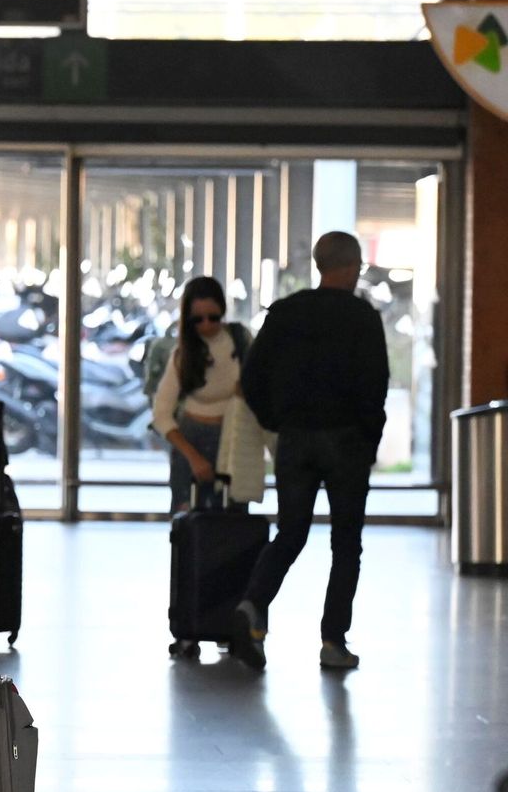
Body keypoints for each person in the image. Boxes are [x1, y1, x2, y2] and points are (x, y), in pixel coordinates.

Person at [230, 231, 387, 673]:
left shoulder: (284, 313)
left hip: (296, 439)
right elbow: (375, 384)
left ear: (319, 266)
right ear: (352, 266)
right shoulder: (362, 317)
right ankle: (333, 642)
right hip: (346, 441)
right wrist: (369, 438)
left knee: (291, 533)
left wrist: (277, 422)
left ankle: (252, 604)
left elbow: (252, 379)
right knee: (346, 544)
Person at [151, 277, 252, 513]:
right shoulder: (182, 355)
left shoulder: (240, 340)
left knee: (234, 519)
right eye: (198, 319)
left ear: (223, 311)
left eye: (213, 317)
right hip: (191, 439)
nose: (206, 325)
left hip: (234, 437)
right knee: (189, 520)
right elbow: (161, 414)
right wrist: (193, 457)